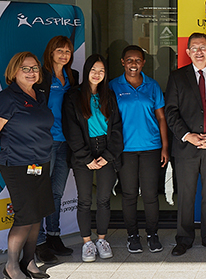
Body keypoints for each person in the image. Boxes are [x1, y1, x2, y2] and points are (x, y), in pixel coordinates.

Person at [0, 52, 54, 279]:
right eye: (26, 68)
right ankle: (11, 266)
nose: (32, 72)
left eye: (35, 68)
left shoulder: (38, 95)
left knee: (37, 214)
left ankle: (28, 262)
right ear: (13, 72)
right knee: (25, 216)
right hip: (17, 164)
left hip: (40, 162)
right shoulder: (6, 98)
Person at [165, 33, 206, 256]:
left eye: (203, 47)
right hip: (186, 148)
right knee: (185, 195)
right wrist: (187, 135)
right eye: (194, 48)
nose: (199, 52)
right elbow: (171, 112)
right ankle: (184, 239)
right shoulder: (177, 77)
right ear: (187, 53)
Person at [62, 54, 123, 263]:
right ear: (87, 71)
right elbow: (71, 131)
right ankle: (87, 242)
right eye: (93, 70)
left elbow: (116, 128)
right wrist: (85, 157)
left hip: (105, 150)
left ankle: (102, 239)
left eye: (102, 71)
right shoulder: (73, 96)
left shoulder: (109, 95)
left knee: (104, 199)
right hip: (83, 152)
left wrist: (107, 157)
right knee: (85, 200)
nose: (97, 74)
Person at [109, 45, 170, 253]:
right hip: (124, 149)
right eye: (129, 60)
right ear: (122, 62)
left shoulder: (152, 86)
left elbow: (161, 117)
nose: (133, 64)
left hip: (151, 147)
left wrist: (165, 147)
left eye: (137, 60)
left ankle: (152, 234)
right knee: (129, 194)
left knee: (151, 195)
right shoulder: (113, 86)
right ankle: (132, 235)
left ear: (143, 63)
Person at [33, 36, 79, 262]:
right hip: (44, 142)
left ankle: (53, 236)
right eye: (59, 50)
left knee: (56, 193)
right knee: (40, 192)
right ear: (50, 52)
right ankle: (38, 242)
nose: (63, 54)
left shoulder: (73, 76)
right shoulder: (40, 76)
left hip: (65, 143)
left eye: (67, 51)